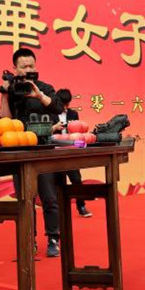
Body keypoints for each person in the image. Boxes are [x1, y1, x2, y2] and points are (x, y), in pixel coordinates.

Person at [0, 48, 64, 257]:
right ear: (15, 69)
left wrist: (39, 95)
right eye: (24, 67)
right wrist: (4, 94)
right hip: (19, 151)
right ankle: (29, 240)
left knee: (49, 198)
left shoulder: (44, 87)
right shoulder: (12, 91)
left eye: (31, 66)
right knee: (25, 200)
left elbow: (57, 108)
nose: (29, 69)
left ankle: (53, 238)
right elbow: (4, 121)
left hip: (43, 149)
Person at [53, 89, 93, 217]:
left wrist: (73, 129)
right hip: (57, 149)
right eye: (63, 103)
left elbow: (79, 134)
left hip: (71, 149)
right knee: (59, 181)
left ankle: (81, 206)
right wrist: (56, 128)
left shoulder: (73, 114)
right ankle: (61, 209)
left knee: (76, 179)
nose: (65, 107)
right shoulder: (51, 114)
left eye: (67, 104)